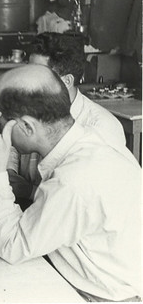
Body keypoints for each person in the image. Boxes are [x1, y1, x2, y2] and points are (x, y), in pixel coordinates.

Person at [0, 64, 141, 302]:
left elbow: (12, 245)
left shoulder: (73, 179)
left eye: (0, 124)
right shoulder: (94, 142)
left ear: (26, 127)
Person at [7, 33, 126, 207]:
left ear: (67, 81)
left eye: (38, 74)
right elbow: (13, 142)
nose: (27, 82)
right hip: (23, 205)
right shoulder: (31, 104)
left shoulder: (101, 127)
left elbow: (88, 203)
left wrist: (29, 191)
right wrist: (10, 171)